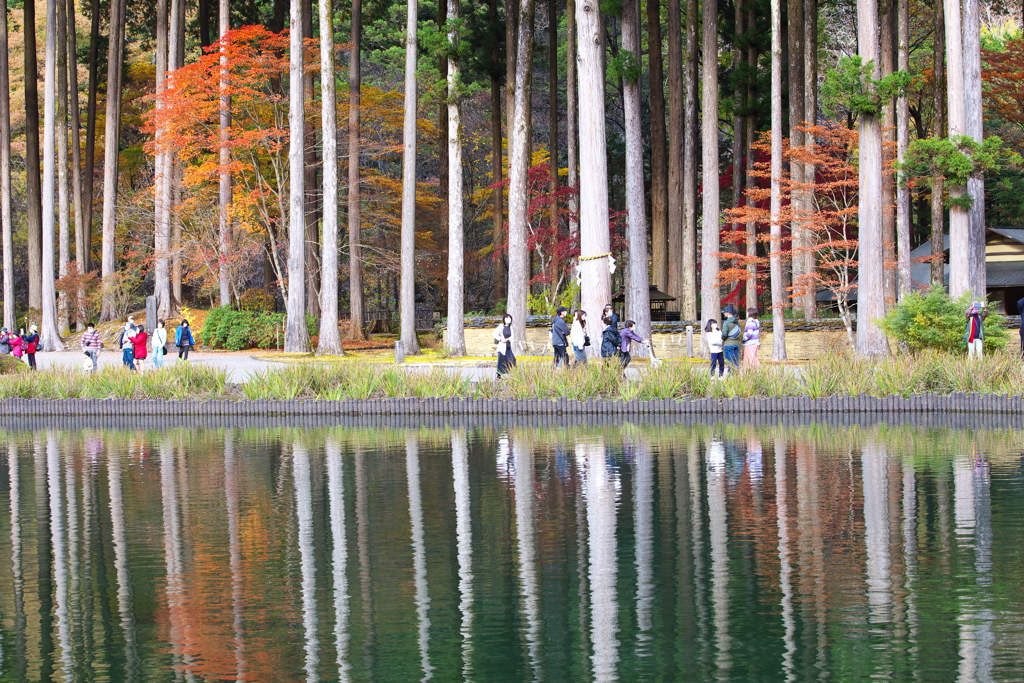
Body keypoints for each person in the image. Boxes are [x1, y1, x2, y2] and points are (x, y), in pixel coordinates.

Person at [493, 313, 516, 378]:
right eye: (506, 318)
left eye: (509, 318)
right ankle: (499, 374)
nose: (508, 319)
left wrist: (507, 339)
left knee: (512, 359)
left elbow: (512, 336)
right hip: (502, 346)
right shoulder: (501, 326)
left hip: (508, 346)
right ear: (504, 319)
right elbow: (495, 333)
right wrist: (501, 339)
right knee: (501, 360)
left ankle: (511, 372)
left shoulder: (511, 327)